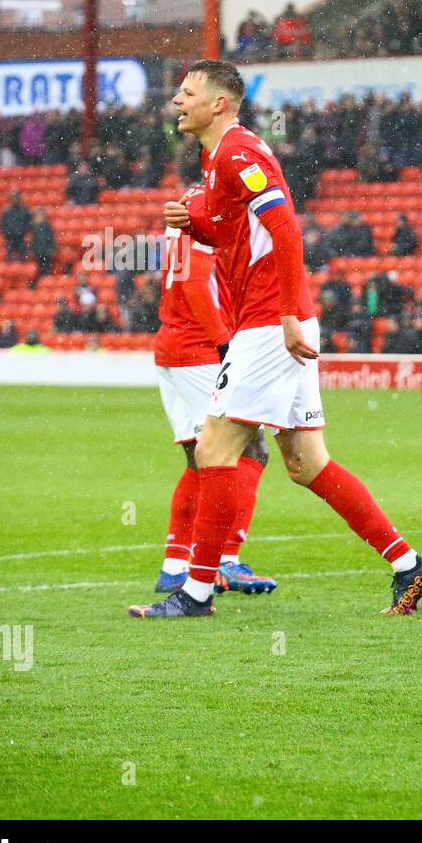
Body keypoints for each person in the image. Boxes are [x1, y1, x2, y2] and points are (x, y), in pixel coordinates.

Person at [132, 59, 422, 619]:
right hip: (275, 320)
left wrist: (290, 315)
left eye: (187, 92)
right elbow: (235, 235)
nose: (177, 100)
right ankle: (407, 564)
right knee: (306, 463)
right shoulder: (217, 158)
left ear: (218, 104)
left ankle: (196, 592)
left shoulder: (238, 152)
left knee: (213, 449)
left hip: (268, 324)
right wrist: (194, 222)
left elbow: (285, 227)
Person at [153, 190, 276, 597]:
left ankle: (175, 565)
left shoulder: (188, 201)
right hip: (200, 350)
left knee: (198, 457)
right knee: (250, 448)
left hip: (171, 345)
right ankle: (226, 560)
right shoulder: (209, 205)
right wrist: (224, 343)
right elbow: (194, 284)